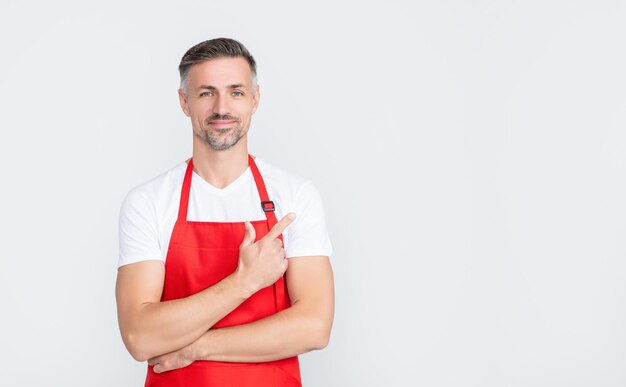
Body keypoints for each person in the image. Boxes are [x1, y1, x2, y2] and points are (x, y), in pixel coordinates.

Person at [115, 38, 335, 386]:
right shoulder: (149, 202)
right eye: (206, 93)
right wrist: (243, 282)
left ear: (254, 99)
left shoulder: (294, 196)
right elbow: (140, 336)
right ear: (184, 102)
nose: (221, 107)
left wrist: (196, 347)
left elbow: (314, 327)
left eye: (235, 92)